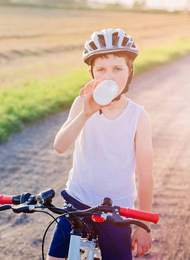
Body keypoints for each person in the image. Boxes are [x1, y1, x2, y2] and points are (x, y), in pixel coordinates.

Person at [48, 28, 154, 259]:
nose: (109, 76)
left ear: (130, 71)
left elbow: (145, 174)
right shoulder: (82, 104)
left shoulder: (137, 116)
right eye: (101, 70)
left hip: (116, 210)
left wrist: (143, 225)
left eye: (117, 69)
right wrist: (85, 113)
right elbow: (60, 146)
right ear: (92, 74)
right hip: (78, 201)